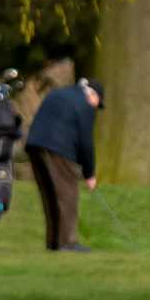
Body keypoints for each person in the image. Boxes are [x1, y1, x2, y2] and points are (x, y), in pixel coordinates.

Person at [25, 78, 103, 252]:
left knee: (49, 195)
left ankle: (54, 242)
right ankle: (68, 242)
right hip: (59, 149)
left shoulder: (59, 93)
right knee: (68, 194)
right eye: (99, 104)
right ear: (93, 95)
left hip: (34, 145)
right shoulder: (85, 104)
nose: (97, 108)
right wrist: (89, 174)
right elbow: (85, 142)